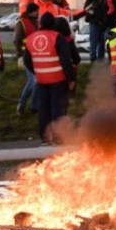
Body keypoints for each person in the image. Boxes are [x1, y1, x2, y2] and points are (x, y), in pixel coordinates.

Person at [23, 12, 77, 144]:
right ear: (53, 23)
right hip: (58, 79)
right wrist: (71, 79)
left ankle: (45, 137)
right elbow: (66, 61)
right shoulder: (57, 37)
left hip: (41, 79)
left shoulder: (30, 38)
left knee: (43, 109)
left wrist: (37, 72)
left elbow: (26, 60)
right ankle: (58, 137)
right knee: (57, 108)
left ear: (40, 23)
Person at [12, 1, 40, 114]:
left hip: (36, 57)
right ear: (31, 12)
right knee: (34, 80)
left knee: (37, 81)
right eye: (36, 11)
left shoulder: (36, 22)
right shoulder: (21, 23)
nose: (38, 13)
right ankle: (21, 104)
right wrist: (19, 56)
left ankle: (34, 106)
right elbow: (16, 41)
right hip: (26, 56)